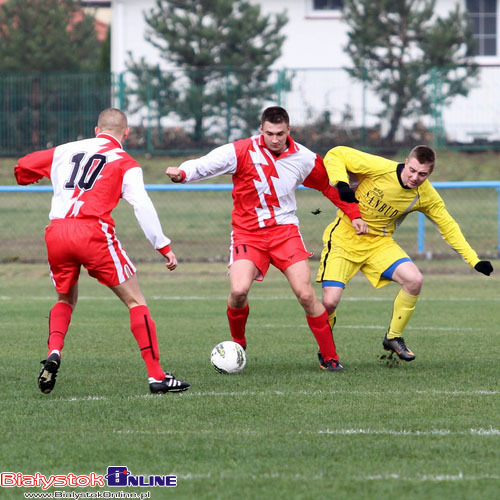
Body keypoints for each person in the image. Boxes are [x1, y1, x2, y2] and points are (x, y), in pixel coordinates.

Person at [166, 106, 366, 371]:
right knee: (238, 292)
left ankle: (330, 357)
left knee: (306, 294)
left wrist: (354, 214)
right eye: (269, 133)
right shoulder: (240, 150)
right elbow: (206, 164)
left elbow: (329, 186)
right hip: (248, 233)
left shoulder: (304, 157)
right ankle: (238, 344)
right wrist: (183, 173)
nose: (274, 139)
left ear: (288, 131)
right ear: (261, 129)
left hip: (285, 233)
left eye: (280, 134)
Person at [14, 108, 190, 395]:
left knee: (65, 298)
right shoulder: (125, 161)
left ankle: (55, 351)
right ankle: (157, 377)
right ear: (127, 133)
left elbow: (23, 166)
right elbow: (141, 205)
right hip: (93, 232)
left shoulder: (66, 149)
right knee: (135, 301)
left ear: (97, 130)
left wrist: (27, 177)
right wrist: (163, 245)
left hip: (57, 232)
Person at [317, 145, 494, 362]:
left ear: (430, 173)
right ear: (406, 161)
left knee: (414, 280)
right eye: (412, 170)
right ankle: (327, 349)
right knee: (330, 302)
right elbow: (336, 153)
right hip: (344, 239)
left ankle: (393, 337)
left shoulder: (426, 194)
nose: (414, 177)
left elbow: (448, 227)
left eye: (422, 174)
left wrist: (474, 260)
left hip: (379, 243)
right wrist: (341, 182)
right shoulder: (380, 168)